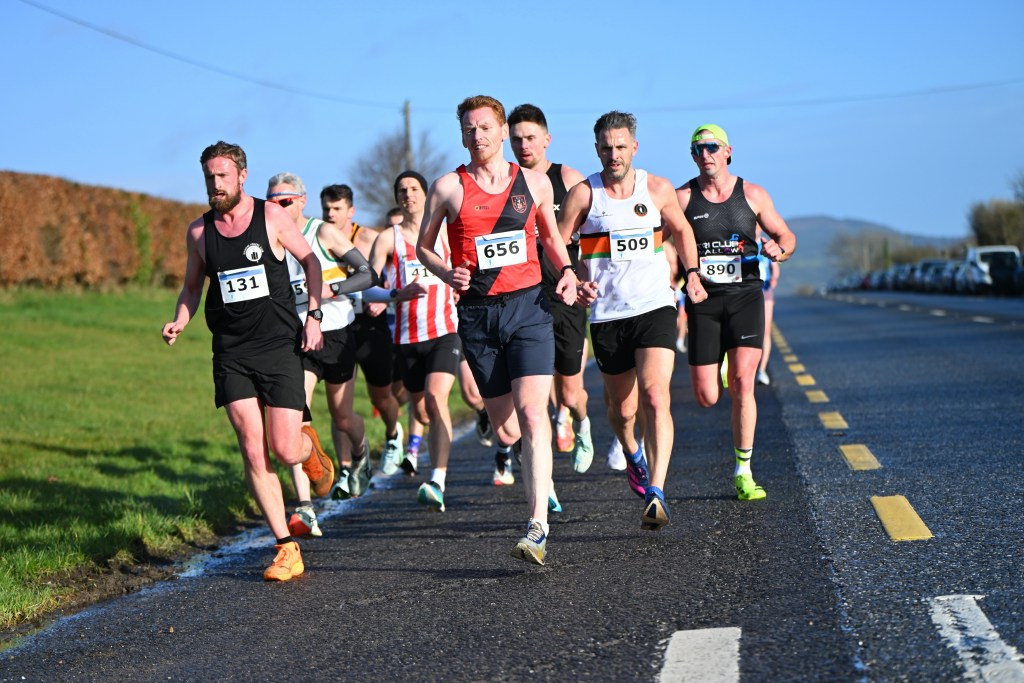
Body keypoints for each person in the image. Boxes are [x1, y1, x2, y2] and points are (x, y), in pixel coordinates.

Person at [416, 95, 584, 565]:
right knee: (508, 427)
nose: (478, 137)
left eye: (486, 128)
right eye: (469, 129)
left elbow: (551, 238)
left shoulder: (533, 183)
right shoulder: (448, 187)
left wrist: (567, 271)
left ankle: (537, 526)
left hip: (529, 308)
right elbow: (423, 248)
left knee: (533, 417)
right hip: (477, 316)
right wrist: (447, 273)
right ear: (462, 134)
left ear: (502, 129)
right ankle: (498, 426)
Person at [161, 141, 334, 582]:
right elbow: (191, 287)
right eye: (208, 178)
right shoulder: (199, 233)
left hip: (278, 347)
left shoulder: (271, 217)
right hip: (232, 352)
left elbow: (311, 262)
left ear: (241, 175)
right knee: (253, 450)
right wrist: (181, 318)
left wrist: (313, 315)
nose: (214, 185)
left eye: (222, 176)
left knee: (284, 448)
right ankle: (285, 546)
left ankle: (310, 451)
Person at [560, 111, 707, 532]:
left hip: (655, 305)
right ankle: (632, 454)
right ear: (597, 150)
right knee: (622, 411)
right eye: (606, 147)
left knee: (656, 395)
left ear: (634, 147)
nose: (613, 154)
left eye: (621, 146)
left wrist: (692, 274)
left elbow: (682, 231)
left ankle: (657, 491)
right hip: (607, 314)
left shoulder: (657, 189)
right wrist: (573, 276)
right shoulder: (583, 195)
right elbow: (557, 242)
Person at [676, 124, 795, 501]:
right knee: (707, 396)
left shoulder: (753, 194)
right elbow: (663, 244)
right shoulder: (682, 199)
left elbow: (787, 236)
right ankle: (723, 366)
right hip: (702, 303)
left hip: (745, 297)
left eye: (712, 147)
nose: (706, 154)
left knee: (744, 384)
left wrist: (780, 249)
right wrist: (676, 277)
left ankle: (743, 470)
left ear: (728, 151)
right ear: (693, 156)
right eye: (698, 149)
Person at [266, 172, 374, 538]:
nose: (276, 209)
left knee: (343, 418)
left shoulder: (323, 232)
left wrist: (335, 287)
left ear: (301, 201)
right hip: (297, 341)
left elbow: (367, 273)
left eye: (284, 202)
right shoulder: (268, 240)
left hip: (337, 334)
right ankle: (305, 508)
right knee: (296, 422)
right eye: (271, 202)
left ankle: (361, 454)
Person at [367, 170, 465, 510]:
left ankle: (437, 479)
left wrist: (459, 289)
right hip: (406, 338)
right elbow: (367, 285)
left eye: (413, 189)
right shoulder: (387, 239)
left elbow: (466, 267)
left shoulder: (445, 234)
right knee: (422, 410)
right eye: (402, 190)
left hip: (443, 331)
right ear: (397, 198)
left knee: (437, 400)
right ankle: (416, 446)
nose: (408, 195)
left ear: (425, 194)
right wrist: (393, 294)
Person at [507, 104, 595, 474]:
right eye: (516, 139)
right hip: (524, 296)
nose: (524, 145)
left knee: (570, 392)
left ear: (547, 139)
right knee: (532, 395)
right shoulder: (505, 183)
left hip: (565, 292)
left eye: (530, 138)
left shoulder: (568, 178)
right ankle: (544, 478)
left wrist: (585, 277)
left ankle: (582, 423)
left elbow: (594, 232)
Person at [319, 184, 402, 496]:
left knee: (381, 396)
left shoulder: (367, 239)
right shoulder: (315, 240)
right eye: (326, 208)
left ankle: (394, 432)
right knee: (341, 407)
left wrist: (382, 298)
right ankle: (343, 469)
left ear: (350, 211)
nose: (330, 214)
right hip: (338, 326)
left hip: (369, 324)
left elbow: (385, 279)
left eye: (337, 209)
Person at [755, 239, 780, 386]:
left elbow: (775, 271)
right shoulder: (740, 240)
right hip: (744, 293)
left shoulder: (766, 244)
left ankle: (762, 370)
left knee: (765, 331)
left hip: (764, 291)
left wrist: (771, 284)